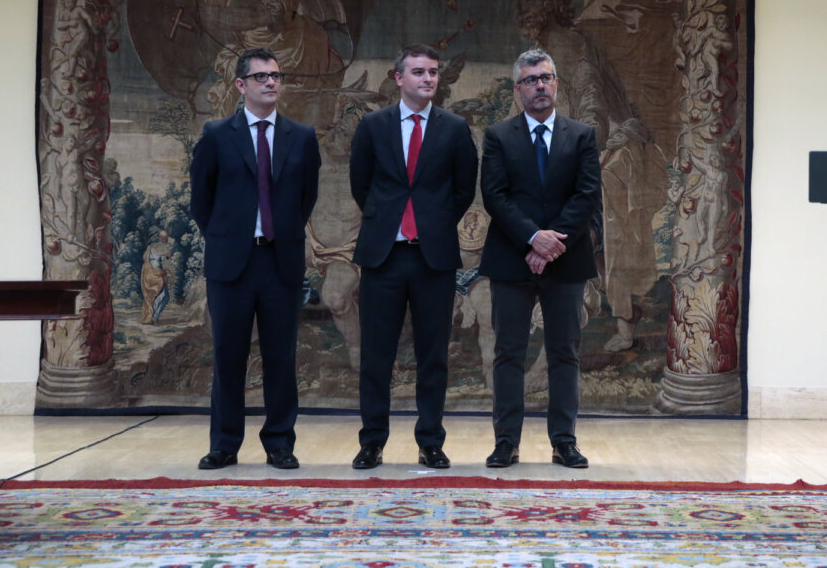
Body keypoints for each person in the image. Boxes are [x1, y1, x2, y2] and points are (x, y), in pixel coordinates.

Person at [189, 46, 322, 470]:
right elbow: (201, 201)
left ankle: (279, 443)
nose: (270, 82)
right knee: (228, 356)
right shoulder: (216, 135)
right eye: (261, 76)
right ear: (240, 85)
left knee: (281, 357)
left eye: (276, 76)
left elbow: (306, 198)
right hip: (231, 264)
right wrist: (229, 237)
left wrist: (278, 233)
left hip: (280, 263)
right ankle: (225, 444)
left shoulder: (301, 137)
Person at [348, 44, 478, 470]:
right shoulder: (373, 125)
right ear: (398, 77)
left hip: (432, 257)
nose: (428, 79)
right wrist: (389, 221)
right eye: (419, 72)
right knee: (376, 356)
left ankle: (431, 442)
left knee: (433, 355)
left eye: (433, 72)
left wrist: (432, 223)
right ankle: (372, 442)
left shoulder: (455, 128)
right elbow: (361, 185)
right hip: (383, 257)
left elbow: (463, 189)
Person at [479, 49, 602, 469]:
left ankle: (564, 442)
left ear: (557, 83)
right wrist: (533, 239)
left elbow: (587, 195)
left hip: (566, 260)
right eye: (531, 80)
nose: (540, 86)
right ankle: (506, 443)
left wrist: (550, 244)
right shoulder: (498, 135)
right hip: (511, 258)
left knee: (564, 353)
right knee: (508, 353)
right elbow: (495, 195)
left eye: (546, 77)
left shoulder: (581, 135)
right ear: (518, 89)